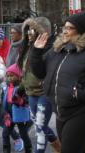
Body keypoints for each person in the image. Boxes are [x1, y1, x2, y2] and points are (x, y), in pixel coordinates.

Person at [30, 11, 85, 153]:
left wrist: (84, 94)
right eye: (64, 27)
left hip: (84, 111)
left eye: (69, 28)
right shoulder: (57, 50)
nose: (65, 31)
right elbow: (40, 73)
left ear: (81, 31)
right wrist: (36, 52)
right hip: (62, 112)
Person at [17, 17, 61, 153]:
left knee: (40, 127)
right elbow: (26, 72)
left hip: (44, 92)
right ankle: (58, 146)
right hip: (31, 93)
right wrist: (20, 89)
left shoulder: (51, 48)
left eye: (33, 30)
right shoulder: (28, 47)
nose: (30, 33)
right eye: (28, 30)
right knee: (40, 125)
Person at [2, 64, 32, 153]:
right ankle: (6, 150)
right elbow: (3, 101)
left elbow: (27, 100)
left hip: (19, 115)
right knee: (5, 134)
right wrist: (4, 113)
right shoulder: (6, 88)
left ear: (18, 76)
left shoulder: (21, 88)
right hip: (9, 115)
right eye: (8, 76)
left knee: (23, 134)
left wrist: (21, 101)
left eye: (12, 76)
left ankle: (29, 149)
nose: (10, 78)